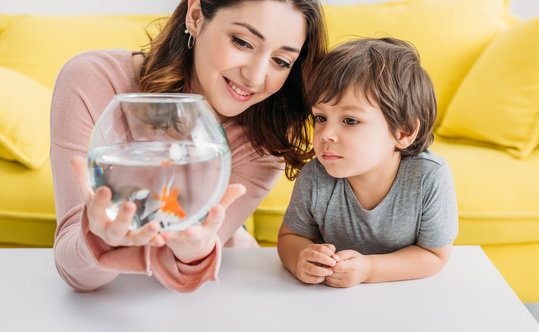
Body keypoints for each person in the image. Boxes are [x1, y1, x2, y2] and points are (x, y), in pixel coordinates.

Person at [51, 0, 326, 292]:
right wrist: (99, 238)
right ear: (195, 16)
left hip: (230, 285)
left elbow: (174, 268)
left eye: (281, 61)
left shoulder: (266, 139)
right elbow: (76, 275)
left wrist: (197, 252)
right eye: (243, 42)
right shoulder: (92, 79)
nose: (256, 77)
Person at [277, 38, 459, 287]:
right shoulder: (315, 177)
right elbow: (291, 236)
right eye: (320, 117)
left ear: (403, 132)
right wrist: (300, 258)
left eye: (350, 120)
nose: (325, 134)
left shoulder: (429, 177)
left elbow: (434, 255)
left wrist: (369, 269)